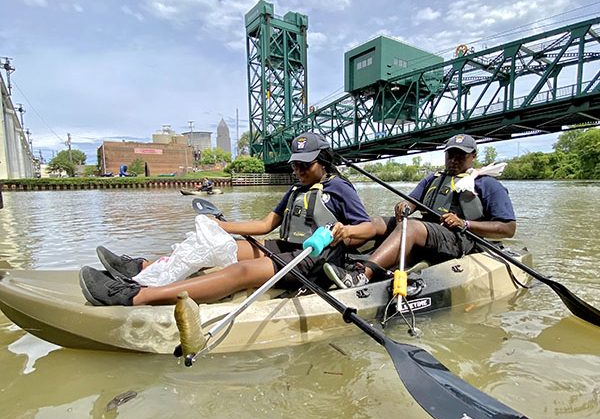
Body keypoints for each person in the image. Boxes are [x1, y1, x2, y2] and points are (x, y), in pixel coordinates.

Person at [79, 132, 376, 306]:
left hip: (315, 258)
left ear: (323, 161)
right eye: (295, 164)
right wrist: (219, 227)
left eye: (305, 165)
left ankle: (134, 296)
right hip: (286, 245)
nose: (297, 170)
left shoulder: (340, 188)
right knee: (216, 247)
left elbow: (367, 229)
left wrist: (346, 231)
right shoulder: (298, 188)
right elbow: (265, 225)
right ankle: (140, 268)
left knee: (241, 272)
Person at [324, 133, 517, 288]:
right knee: (376, 222)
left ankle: (363, 275)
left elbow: (508, 228)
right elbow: (411, 202)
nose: (454, 161)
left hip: (460, 237)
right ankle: (337, 255)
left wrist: (464, 223)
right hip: (430, 232)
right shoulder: (433, 179)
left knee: (412, 228)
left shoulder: (487, 184)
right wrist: (404, 207)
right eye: (451, 155)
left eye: (461, 156)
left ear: (473, 156)